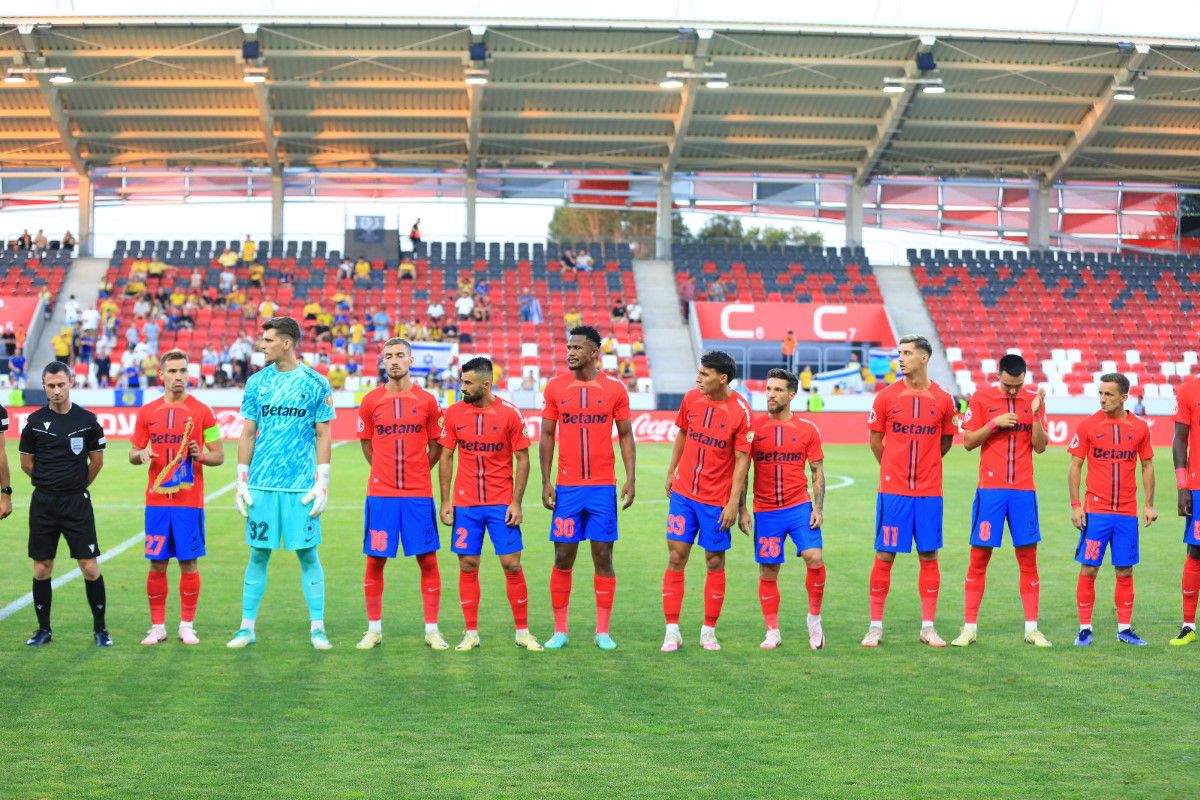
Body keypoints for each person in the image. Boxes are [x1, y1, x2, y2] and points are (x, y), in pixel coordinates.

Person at [227, 317, 336, 651]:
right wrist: (241, 478)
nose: (262, 345)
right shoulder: (257, 382)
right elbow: (247, 431)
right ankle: (246, 628)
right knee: (258, 555)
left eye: (268, 340)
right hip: (262, 484)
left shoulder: (315, 382)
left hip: (301, 487)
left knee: (307, 555)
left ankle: (318, 629)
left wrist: (322, 482)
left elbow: (323, 433)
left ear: (286, 343)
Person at [539, 326, 635, 651]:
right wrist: (545, 480)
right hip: (567, 489)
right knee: (563, 555)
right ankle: (560, 630)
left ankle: (602, 631)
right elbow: (547, 435)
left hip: (601, 490)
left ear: (594, 353)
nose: (570, 352)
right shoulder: (555, 387)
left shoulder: (615, 389)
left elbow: (625, 435)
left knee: (603, 555)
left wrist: (631, 477)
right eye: (568, 347)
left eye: (577, 348)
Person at [437, 357, 542, 652]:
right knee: (468, 564)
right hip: (466, 505)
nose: (462, 388)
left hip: (500, 504)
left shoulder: (510, 414)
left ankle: (523, 632)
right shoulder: (455, 413)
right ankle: (471, 633)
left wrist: (517, 502)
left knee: (511, 564)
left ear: (486, 384)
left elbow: (523, 458)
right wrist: (446, 500)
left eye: (468, 383)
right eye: (462, 382)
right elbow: (446, 456)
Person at [861, 334, 958, 648]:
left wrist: (926, 467)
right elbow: (876, 442)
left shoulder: (944, 399)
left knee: (928, 554)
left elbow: (945, 442)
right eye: (899, 353)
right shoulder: (886, 397)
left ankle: (927, 628)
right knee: (885, 554)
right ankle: (875, 627)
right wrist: (893, 469)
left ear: (924, 358)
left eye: (907, 353)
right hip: (894, 492)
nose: (900, 358)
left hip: (929, 492)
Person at [952, 354, 1052, 648]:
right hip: (991, 491)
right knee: (979, 557)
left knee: (1028, 559)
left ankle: (1032, 629)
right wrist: (994, 423)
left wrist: (1034, 414)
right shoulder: (982, 398)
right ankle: (969, 628)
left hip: (1023, 491)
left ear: (1025, 378)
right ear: (999, 376)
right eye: (1008, 385)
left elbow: (1041, 446)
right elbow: (968, 442)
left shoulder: (1033, 399)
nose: (1012, 391)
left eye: (1018, 385)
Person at [355, 338, 448, 650]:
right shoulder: (370, 402)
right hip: (381, 494)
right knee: (375, 561)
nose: (393, 361)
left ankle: (432, 630)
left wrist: (420, 468)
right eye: (388, 356)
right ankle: (374, 630)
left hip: (418, 494)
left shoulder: (427, 401)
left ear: (410, 360)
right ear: (383, 361)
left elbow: (436, 445)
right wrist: (383, 470)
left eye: (399, 356)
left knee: (427, 560)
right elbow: (367, 444)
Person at [661, 350, 753, 652]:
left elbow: (742, 461)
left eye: (705, 374)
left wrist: (734, 504)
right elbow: (682, 436)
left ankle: (708, 630)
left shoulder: (741, 411)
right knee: (676, 557)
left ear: (721, 378)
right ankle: (672, 630)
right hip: (684, 494)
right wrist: (671, 470)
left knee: (714, 561)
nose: (698, 378)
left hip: (716, 501)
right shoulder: (690, 399)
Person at [129, 350, 223, 646]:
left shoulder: (203, 411)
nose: (178, 376)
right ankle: (157, 626)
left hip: (188, 502)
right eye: (172, 371)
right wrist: (140, 455)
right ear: (162, 375)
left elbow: (219, 455)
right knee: (157, 564)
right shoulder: (147, 412)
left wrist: (201, 456)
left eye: (183, 370)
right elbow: (132, 453)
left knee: (188, 564)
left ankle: (186, 625)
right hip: (156, 502)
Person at [20, 362, 110, 647]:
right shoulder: (34, 421)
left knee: (89, 567)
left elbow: (97, 462)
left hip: (76, 503)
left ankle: (100, 630)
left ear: (71, 382)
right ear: (44, 386)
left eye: (61, 384)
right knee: (42, 568)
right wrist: (50, 482)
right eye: (50, 386)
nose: (56, 390)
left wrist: (76, 485)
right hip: (44, 502)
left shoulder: (87, 420)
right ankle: (43, 629)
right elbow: (26, 463)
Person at [1068, 373, 1156, 646]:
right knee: (1090, 568)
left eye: (1109, 394)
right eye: (1101, 393)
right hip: (1096, 513)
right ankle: (1084, 628)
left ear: (1124, 397)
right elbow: (1075, 466)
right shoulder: (1088, 425)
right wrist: (1075, 505)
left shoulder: (1140, 427)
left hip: (1127, 514)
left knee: (1125, 570)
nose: (1103, 399)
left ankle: (1125, 629)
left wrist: (1149, 504)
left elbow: (1147, 465)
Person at [747, 369, 827, 650]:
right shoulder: (753, 429)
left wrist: (818, 507)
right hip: (766, 510)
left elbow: (817, 471)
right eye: (768, 388)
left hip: (798, 507)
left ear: (791, 395)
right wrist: (743, 508)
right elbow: (742, 470)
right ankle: (772, 631)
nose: (770, 394)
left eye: (778, 390)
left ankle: (814, 620)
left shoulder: (807, 429)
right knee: (768, 570)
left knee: (814, 557)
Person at [1172, 374, 1200, 646]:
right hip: (1198, 485)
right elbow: (1180, 440)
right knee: (1196, 550)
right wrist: (1183, 487)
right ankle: (1188, 625)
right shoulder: (1188, 390)